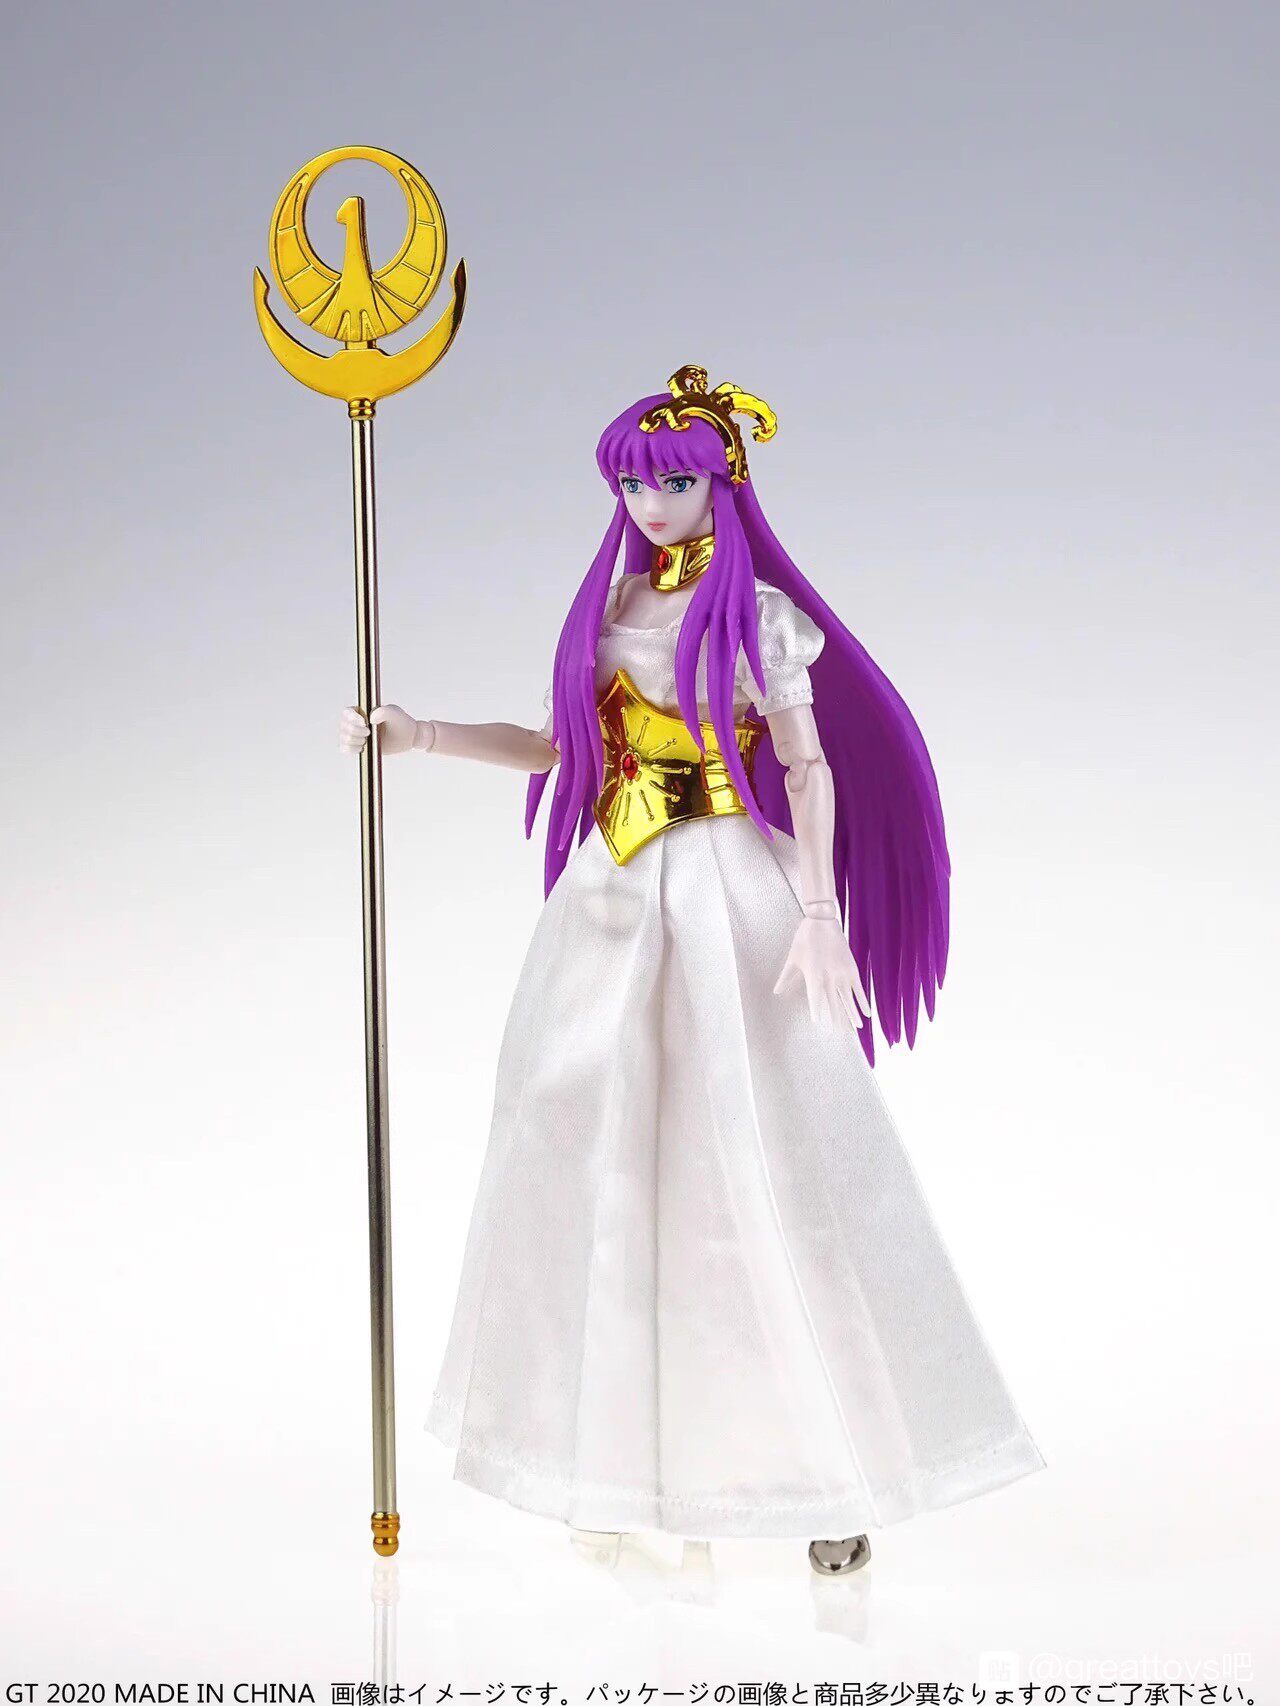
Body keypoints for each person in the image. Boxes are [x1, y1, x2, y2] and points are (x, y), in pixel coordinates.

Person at [339, 366, 1043, 1575]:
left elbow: (807, 770)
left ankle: (832, 1473)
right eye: (631, 483)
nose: (649, 502)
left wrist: (816, 908)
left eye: (670, 480)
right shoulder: (612, 604)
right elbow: (558, 745)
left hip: (724, 892)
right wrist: (422, 735)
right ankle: (612, 1460)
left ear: (720, 483)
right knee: (593, 1153)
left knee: (762, 1169)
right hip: (609, 901)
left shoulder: (757, 616)